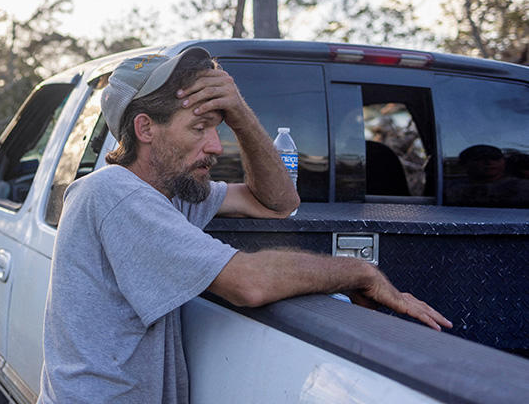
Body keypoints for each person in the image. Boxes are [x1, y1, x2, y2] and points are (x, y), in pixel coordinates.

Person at [37, 47, 452, 404]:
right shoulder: (115, 193)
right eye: (199, 128)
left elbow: (277, 203)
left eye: (217, 130)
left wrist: (239, 115)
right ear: (145, 128)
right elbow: (248, 282)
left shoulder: (170, 194)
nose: (216, 146)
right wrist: (358, 272)